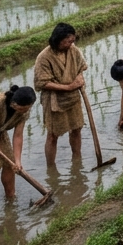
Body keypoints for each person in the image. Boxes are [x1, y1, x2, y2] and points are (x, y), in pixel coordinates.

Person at [33, 22, 87, 165]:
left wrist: (79, 77)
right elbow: (42, 83)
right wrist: (69, 87)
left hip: (73, 98)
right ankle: (51, 167)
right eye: (68, 41)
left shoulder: (73, 50)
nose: (70, 44)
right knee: (53, 135)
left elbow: (81, 66)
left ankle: (77, 159)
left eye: (72, 41)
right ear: (58, 39)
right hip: (54, 101)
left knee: (76, 129)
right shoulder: (44, 57)